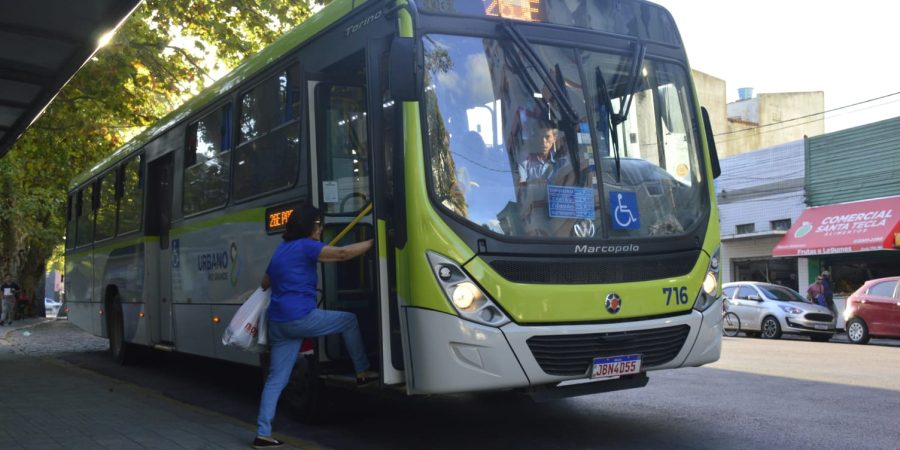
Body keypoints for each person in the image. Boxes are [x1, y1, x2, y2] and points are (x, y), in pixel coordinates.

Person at [253, 204, 376, 449]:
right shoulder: (306, 246)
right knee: (348, 320)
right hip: (299, 318)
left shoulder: (281, 249)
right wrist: (375, 242)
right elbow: (342, 254)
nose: (320, 228)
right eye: (318, 224)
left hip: (278, 322)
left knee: (276, 380)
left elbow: (265, 282)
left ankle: (262, 434)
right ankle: (363, 372)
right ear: (310, 226)